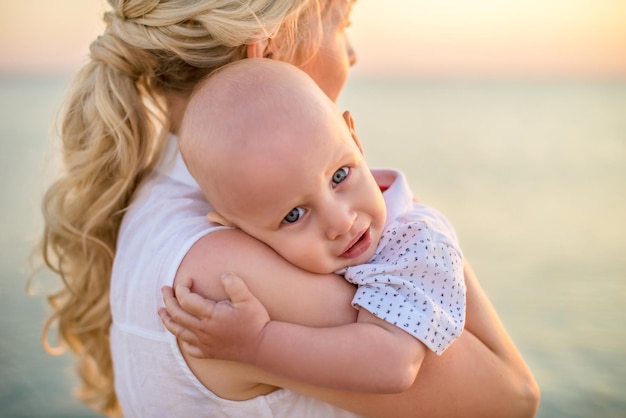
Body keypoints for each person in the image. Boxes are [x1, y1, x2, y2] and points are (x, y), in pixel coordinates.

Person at [39, 0, 539, 416]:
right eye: (342, 23)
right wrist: (423, 229)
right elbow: (511, 399)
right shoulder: (230, 276)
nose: (353, 52)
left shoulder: (156, 202)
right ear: (270, 50)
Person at [168, 58, 466, 393]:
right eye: (294, 215)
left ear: (355, 139)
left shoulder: (414, 242)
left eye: (340, 176)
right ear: (237, 228)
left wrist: (257, 344)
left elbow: (393, 365)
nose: (341, 221)